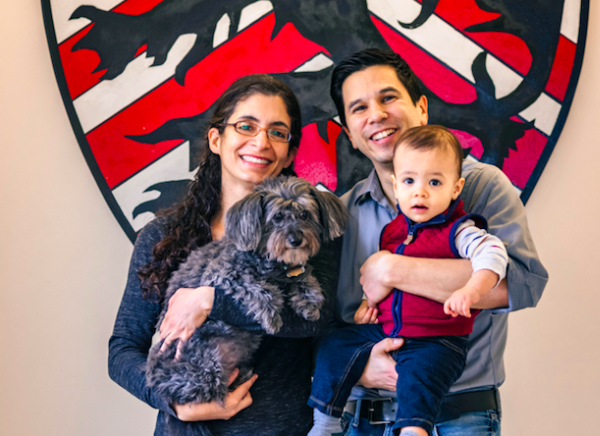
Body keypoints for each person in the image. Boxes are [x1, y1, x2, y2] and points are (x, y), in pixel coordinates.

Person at [309, 49, 548, 436]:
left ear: (421, 108)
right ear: (350, 133)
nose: (377, 115)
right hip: (358, 420)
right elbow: (324, 320)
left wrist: (393, 268)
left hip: (456, 418)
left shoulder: (481, 186)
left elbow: (521, 285)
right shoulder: (341, 212)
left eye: (388, 98)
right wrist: (361, 365)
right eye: (359, 108)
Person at [108, 74, 341, 436]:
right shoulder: (163, 236)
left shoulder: (311, 229)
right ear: (217, 139)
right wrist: (176, 404)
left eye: (278, 132)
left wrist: (210, 301)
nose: (261, 142)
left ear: (290, 153)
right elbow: (122, 350)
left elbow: (314, 320)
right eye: (246, 126)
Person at [308, 125, 508, 436]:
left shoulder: (459, 229)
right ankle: (326, 422)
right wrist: (367, 304)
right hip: (389, 330)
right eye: (410, 181)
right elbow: (381, 285)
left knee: (418, 374)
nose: (420, 191)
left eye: (435, 182)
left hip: (436, 338)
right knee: (335, 345)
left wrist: (472, 289)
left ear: (456, 189)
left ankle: (414, 430)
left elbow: (493, 254)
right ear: (396, 185)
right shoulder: (392, 232)